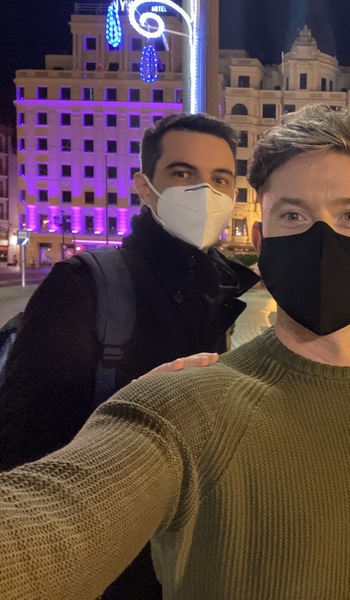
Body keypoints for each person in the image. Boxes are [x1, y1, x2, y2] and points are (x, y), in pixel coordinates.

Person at [0, 105, 350, 599]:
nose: (322, 237)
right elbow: (52, 515)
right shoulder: (184, 407)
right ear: (262, 240)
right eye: (293, 215)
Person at [0, 113, 260, 598]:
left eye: (220, 179)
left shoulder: (221, 291)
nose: (205, 192)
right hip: (106, 569)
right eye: (182, 174)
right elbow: (22, 452)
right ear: (145, 187)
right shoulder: (84, 286)